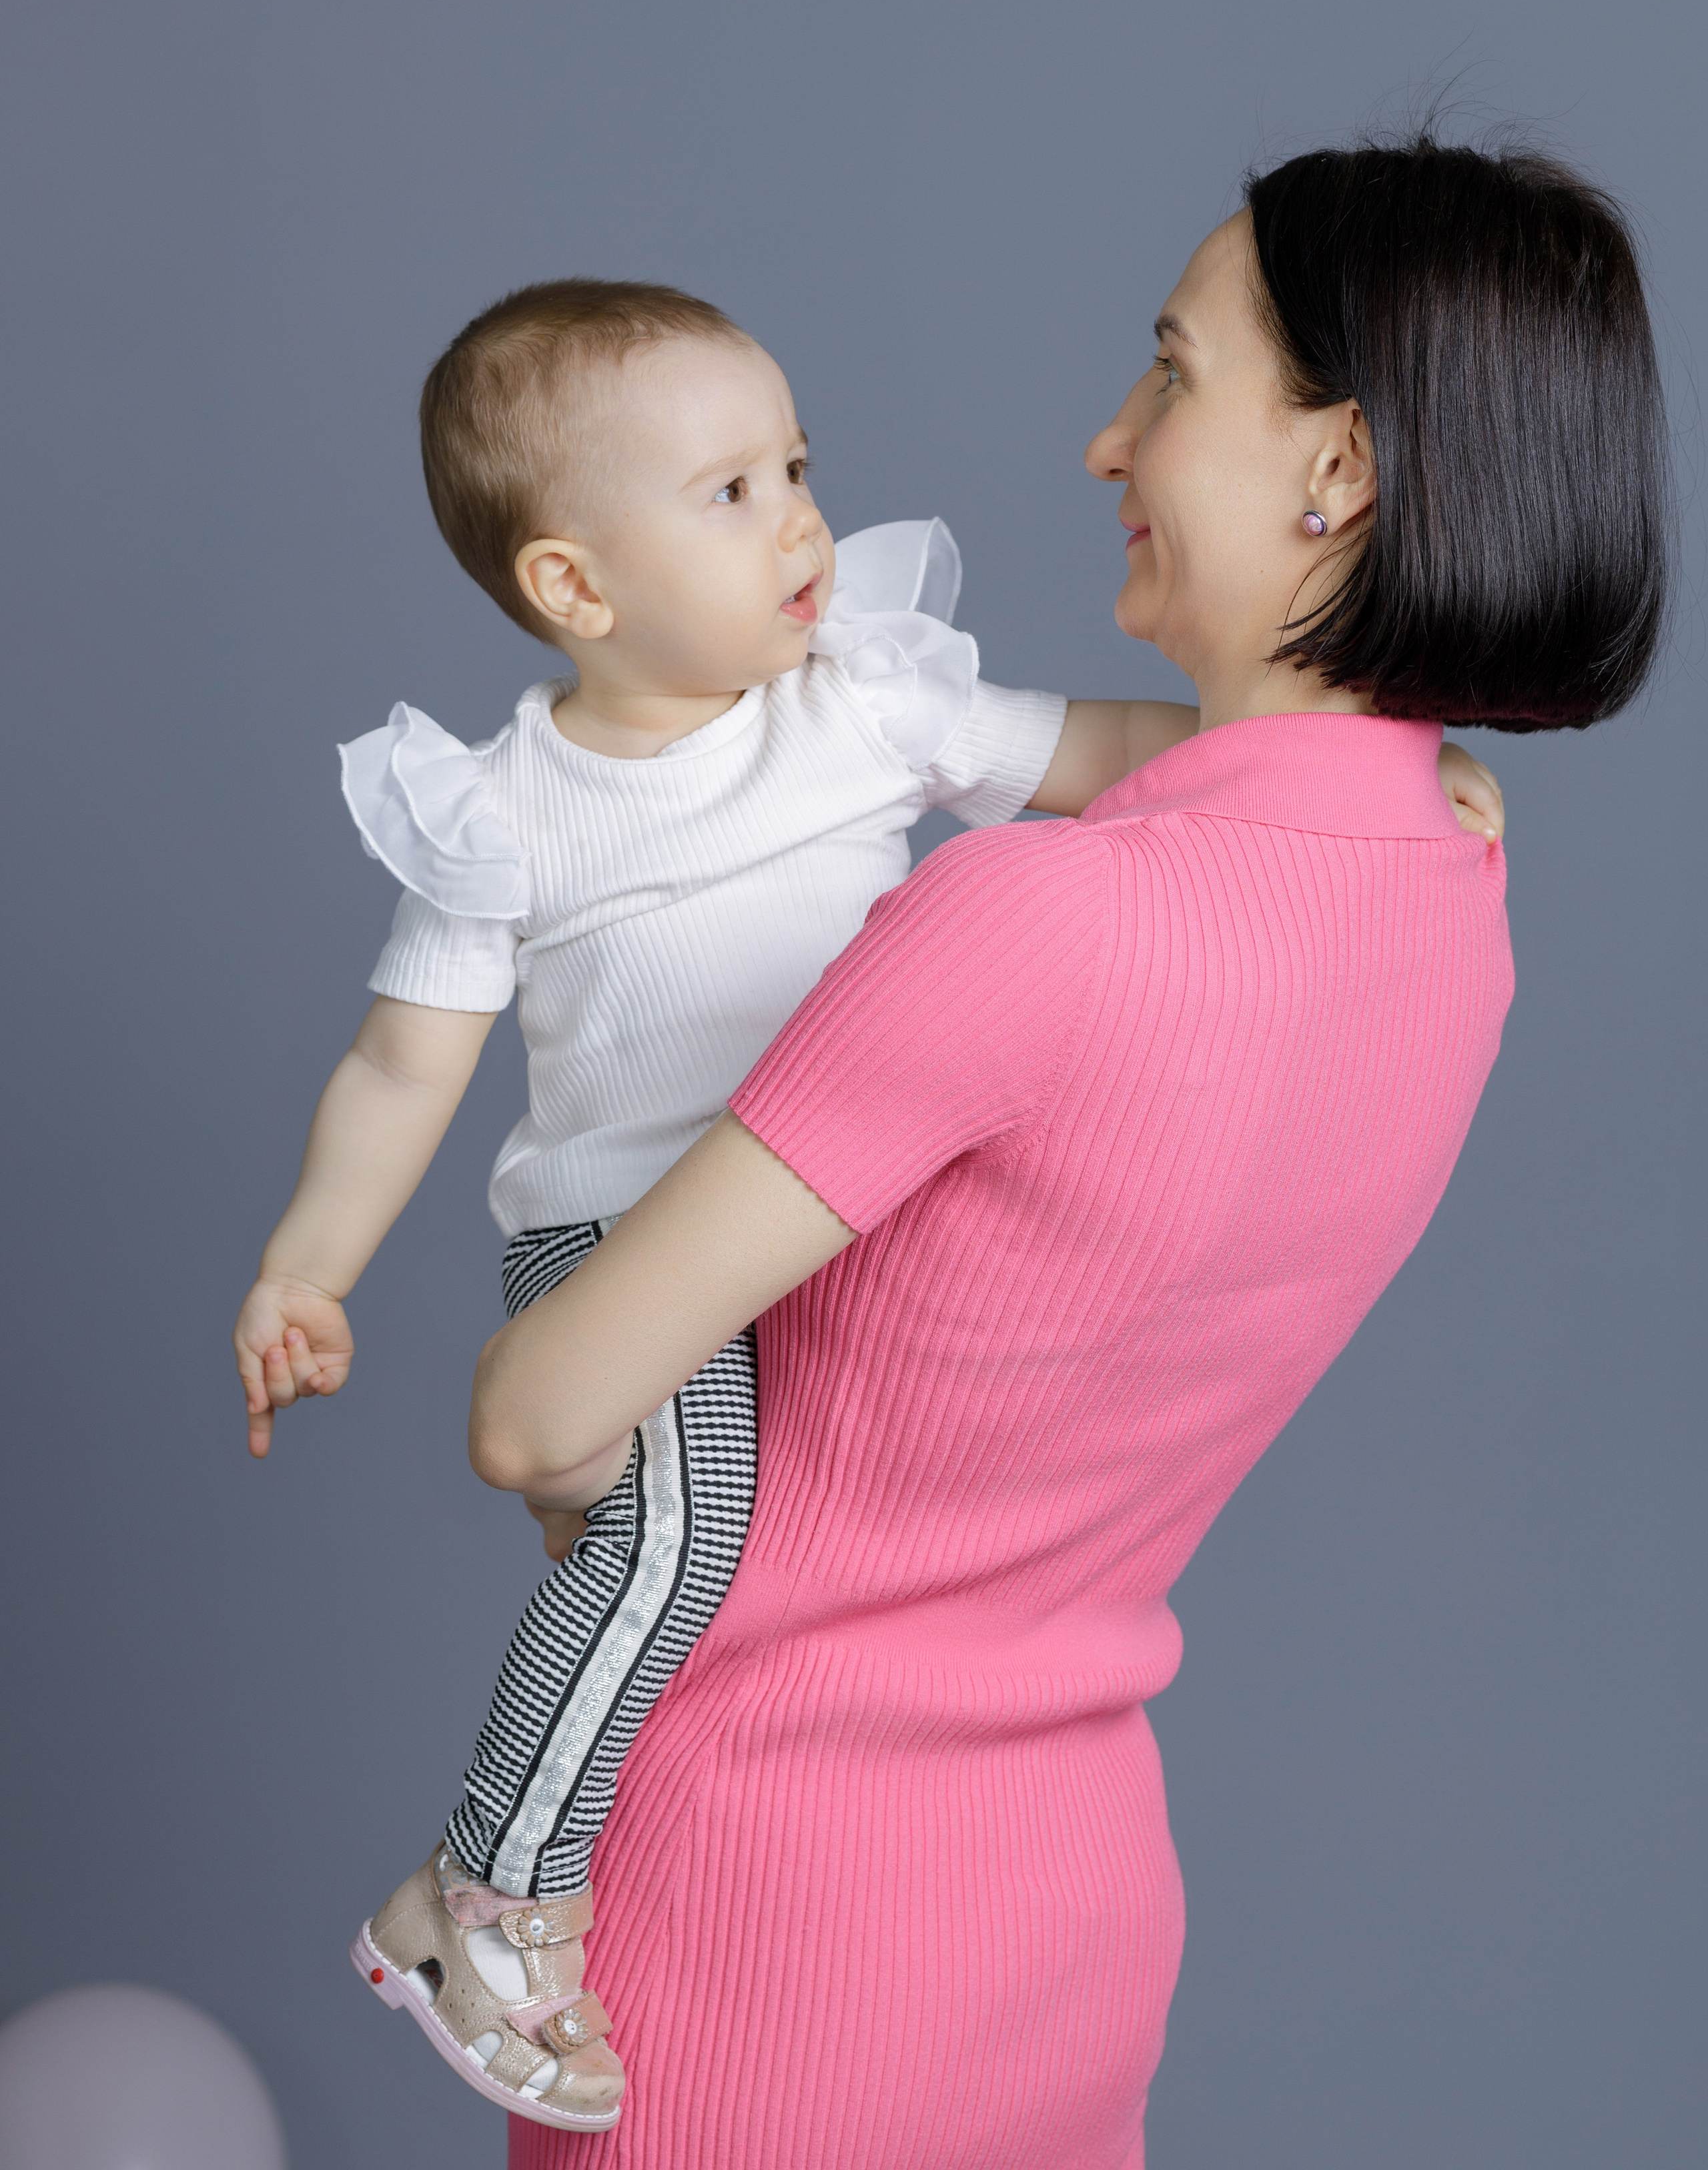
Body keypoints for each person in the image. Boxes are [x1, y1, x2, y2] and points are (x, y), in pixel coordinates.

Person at [453, 137, 1665, 2170]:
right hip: (1066, 1930)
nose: (1110, 437)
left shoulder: (1031, 922)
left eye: (1174, 372)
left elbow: (542, 1414)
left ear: (1338, 469)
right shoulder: (1456, 906)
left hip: (765, 1934)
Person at [236, 274, 1509, 2133]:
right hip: (620, 1242)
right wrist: (309, 1265)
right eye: (729, 494)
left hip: (796, 1267)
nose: (801, 522)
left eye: (797, 468)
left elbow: (1110, 757)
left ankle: (495, 1879)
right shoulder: (504, 811)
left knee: (657, 1527)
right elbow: (398, 1069)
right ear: (573, 587)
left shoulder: (860, 710)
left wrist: (1373, 767)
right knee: (669, 1541)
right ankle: (490, 1889)